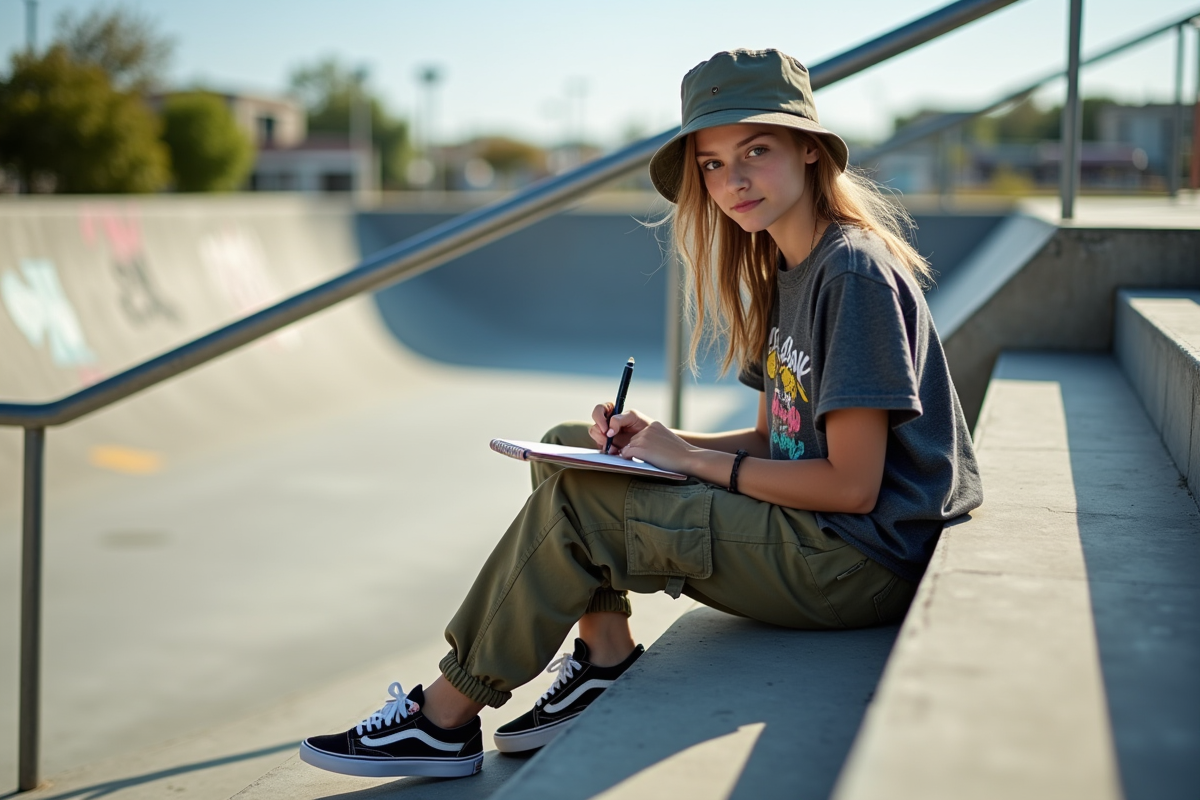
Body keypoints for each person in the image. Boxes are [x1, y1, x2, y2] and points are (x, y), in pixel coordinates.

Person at [298, 48, 982, 780]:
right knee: (571, 449)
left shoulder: (852, 272)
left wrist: (687, 461)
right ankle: (606, 656)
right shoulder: (788, 266)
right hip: (826, 536)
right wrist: (660, 441)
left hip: (857, 560)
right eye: (713, 164)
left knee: (583, 507)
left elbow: (852, 486)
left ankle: (444, 716)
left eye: (756, 150)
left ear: (810, 149)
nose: (733, 180)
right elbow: (772, 439)